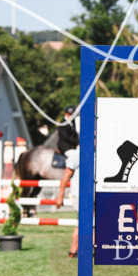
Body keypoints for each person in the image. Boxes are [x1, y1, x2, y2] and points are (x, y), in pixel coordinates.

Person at [54, 106, 80, 257]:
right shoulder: (62, 124)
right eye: (70, 114)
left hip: (74, 145)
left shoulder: (74, 123)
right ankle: (74, 250)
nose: (71, 116)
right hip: (65, 147)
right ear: (66, 114)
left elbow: (75, 137)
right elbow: (67, 138)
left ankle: (75, 250)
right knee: (72, 154)